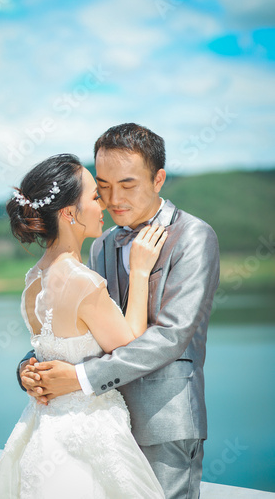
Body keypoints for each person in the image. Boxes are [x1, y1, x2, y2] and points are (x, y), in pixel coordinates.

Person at [19, 124, 220, 499]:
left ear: (158, 179)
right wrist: (31, 367)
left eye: (127, 185)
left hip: (165, 422)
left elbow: (170, 337)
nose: (113, 200)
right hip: (103, 422)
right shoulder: (102, 244)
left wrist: (80, 378)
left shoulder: (194, 237)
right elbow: (84, 328)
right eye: (104, 187)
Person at [0, 153, 167, 499]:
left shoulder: (32, 280)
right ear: (69, 213)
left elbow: (47, 350)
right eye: (95, 197)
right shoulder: (84, 283)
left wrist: (28, 369)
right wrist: (140, 272)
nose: (105, 205)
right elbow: (129, 346)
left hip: (43, 427)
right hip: (90, 432)